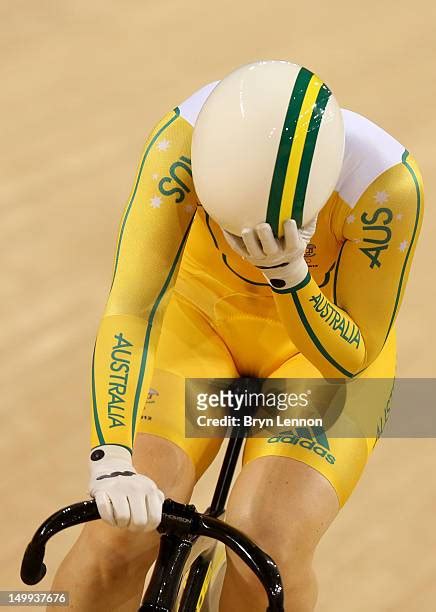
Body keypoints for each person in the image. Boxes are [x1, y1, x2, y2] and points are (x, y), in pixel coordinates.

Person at [51, 61, 423, 611]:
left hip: (316, 352)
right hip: (198, 325)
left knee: (267, 552)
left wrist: (293, 280)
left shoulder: (386, 186)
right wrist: (112, 459)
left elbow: (351, 360)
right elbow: (131, 307)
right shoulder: (180, 141)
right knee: (118, 534)